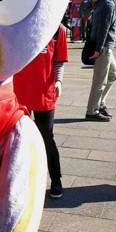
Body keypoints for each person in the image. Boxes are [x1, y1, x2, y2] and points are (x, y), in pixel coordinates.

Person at [14, 23, 68, 199]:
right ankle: (19, 181)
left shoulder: (57, 29)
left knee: (47, 138)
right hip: (18, 93)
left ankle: (56, 180)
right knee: (18, 139)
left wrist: (58, 81)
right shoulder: (19, 24)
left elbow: (58, 61)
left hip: (44, 94)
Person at [85, 0, 116, 122]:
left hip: (106, 46)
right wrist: (98, 49)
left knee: (113, 74)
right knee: (99, 80)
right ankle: (92, 111)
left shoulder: (102, 2)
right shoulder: (108, 4)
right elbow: (103, 28)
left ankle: (100, 104)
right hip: (104, 47)